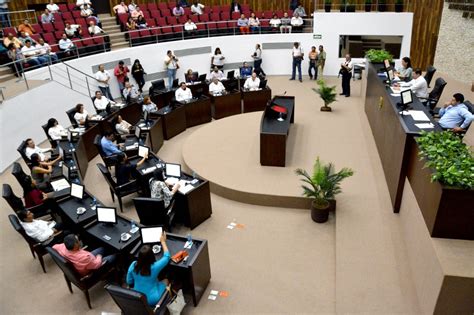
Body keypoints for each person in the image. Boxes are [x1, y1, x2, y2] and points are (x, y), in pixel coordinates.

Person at [126, 235, 171, 306]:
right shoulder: (155, 266)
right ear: (152, 256)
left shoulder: (133, 265)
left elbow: (129, 281)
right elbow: (167, 256)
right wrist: (163, 241)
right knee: (166, 280)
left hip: (137, 298)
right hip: (153, 299)